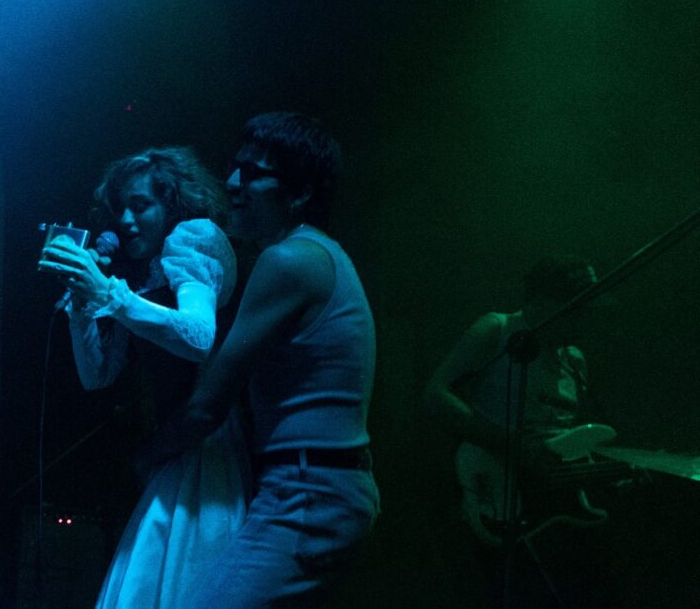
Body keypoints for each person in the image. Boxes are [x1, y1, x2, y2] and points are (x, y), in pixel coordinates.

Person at [141, 112, 380, 606]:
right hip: (320, 486)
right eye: (235, 168)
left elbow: (207, 408)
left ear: (300, 192)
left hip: (307, 494)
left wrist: (147, 457)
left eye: (253, 174)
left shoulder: (290, 261)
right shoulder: (318, 254)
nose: (232, 183)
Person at [38, 146, 250, 609]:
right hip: (173, 445)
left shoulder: (194, 239)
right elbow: (98, 375)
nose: (126, 220)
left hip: (208, 446)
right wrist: (82, 306)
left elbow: (199, 336)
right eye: (120, 209)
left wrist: (109, 293)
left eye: (140, 206)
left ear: (171, 206)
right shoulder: (138, 276)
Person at [422, 256, 617, 606]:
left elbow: (568, 442)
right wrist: (517, 448)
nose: (586, 317)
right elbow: (435, 395)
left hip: (551, 508)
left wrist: (600, 471)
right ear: (541, 304)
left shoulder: (575, 360)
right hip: (494, 484)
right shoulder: (497, 330)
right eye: (577, 308)